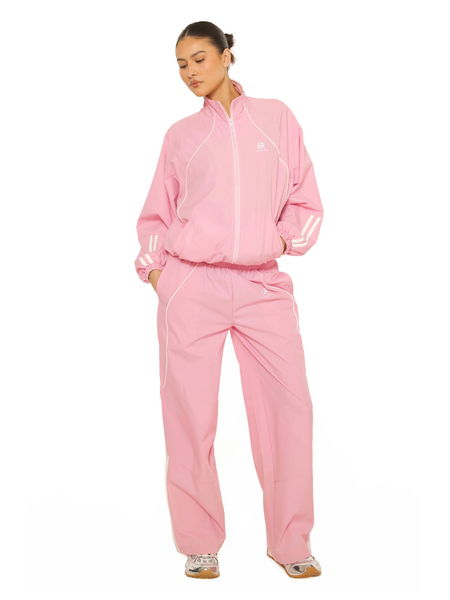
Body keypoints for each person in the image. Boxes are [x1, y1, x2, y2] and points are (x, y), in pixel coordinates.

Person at [134, 20, 324, 580]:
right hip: (192, 285)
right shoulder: (180, 136)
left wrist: (281, 242)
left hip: (263, 285)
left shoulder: (276, 118)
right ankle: (200, 542)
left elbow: (306, 200)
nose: (190, 72)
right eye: (181, 64)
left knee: (290, 408)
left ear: (226, 55)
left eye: (199, 59)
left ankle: (290, 542)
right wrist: (157, 274)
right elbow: (156, 214)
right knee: (189, 413)